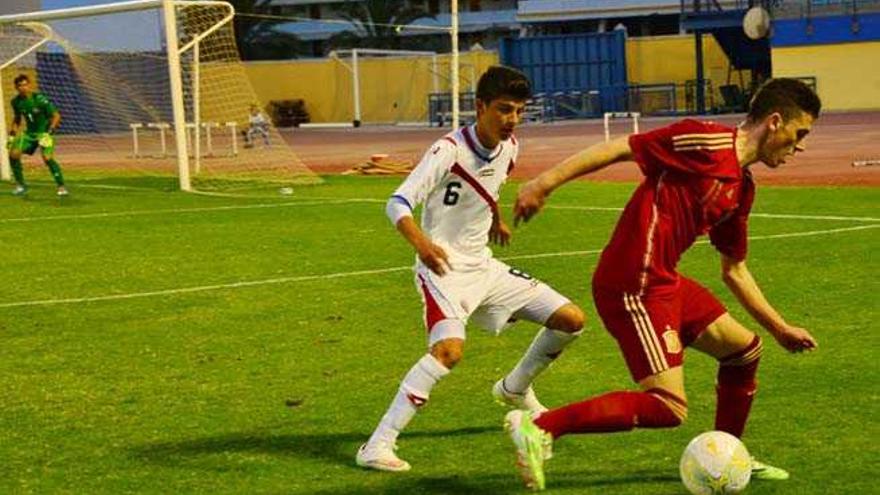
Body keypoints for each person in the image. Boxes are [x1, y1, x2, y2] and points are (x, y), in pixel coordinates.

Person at [505, 78, 821, 491]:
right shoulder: (706, 142)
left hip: (664, 280)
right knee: (667, 406)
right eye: (799, 134)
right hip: (632, 280)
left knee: (744, 351)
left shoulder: (741, 189)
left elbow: (735, 270)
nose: (800, 146)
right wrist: (543, 183)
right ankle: (540, 427)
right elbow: (622, 147)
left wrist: (779, 328)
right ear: (775, 122)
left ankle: (728, 454)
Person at [356, 66, 586, 472]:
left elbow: (488, 185)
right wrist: (423, 245)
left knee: (571, 319)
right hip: (442, 268)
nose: (511, 119)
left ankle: (514, 389)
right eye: (503, 109)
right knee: (448, 352)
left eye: (518, 111)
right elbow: (397, 203)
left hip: (485, 267)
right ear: (480, 107)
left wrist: (494, 216)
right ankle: (377, 444)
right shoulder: (448, 149)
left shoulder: (510, 146)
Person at [7, 74, 68, 196]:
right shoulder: (16, 102)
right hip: (29, 134)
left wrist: (48, 133)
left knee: (47, 158)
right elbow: (17, 119)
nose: (23, 87)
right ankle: (21, 185)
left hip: (44, 133)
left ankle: (61, 186)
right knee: (13, 154)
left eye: (25, 84)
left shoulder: (40, 99)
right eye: (20, 86)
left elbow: (56, 116)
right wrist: (12, 135)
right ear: (16, 88)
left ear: (29, 85)